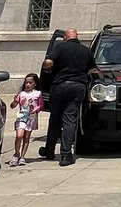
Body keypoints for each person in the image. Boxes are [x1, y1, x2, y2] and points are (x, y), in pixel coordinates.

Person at [39, 28, 99, 166]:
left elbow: (48, 62)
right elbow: (93, 69)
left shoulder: (59, 47)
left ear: (65, 37)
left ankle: (49, 151)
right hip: (78, 86)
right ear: (77, 36)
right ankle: (66, 155)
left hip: (60, 85)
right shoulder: (86, 50)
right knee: (70, 119)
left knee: (55, 119)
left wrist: (49, 69)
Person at [8, 73, 43, 166]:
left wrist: (36, 110)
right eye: (26, 82)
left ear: (35, 84)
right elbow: (12, 106)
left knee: (26, 137)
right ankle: (16, 153)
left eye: (30, 83)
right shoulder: (22, 94)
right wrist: (15, 101)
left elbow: (41, 105)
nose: (28, 84)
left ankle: (22, 156)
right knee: (19, 135)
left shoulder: (38, 94)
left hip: (31, 118)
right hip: (21, 116)